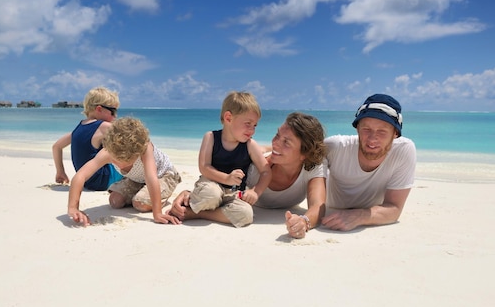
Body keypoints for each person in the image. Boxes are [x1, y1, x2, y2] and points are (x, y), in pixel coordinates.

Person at [171, 112, 327, 238]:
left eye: (286, 142)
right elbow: (219, 180)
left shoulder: (312, 167)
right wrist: (190, 194)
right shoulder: (254, 166)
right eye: (277, 135)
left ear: (305, 154)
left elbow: (317, 206)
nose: (276, 143)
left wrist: (304, 222)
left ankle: (200, 214)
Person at [171, 91, 272, 228]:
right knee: (210, 194)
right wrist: (226, 178)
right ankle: (188, 195)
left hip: (235, 194)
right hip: (211, 185)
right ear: (228, 118)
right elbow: (204, 167)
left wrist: (255, 191)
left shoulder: (250, 145)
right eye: (248, 123)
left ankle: (198, 213)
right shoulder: (211, 137)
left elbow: (266, 172)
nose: (252, 130)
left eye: (255, 125)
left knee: (245, 214)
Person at [321, 93, 416, 232]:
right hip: (330, 208)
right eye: (366, 129)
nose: (372, 138)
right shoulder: (335, 146)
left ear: (395, 133)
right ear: (357, 128)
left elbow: (394, 208)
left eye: (382, 131)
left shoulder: (403, 150)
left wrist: (359, 216)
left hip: (366, 213)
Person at [67, 117, 182, 226]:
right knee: (115, 201)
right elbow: (80, 176)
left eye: (125, 161)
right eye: (115, 160)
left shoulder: (145, 149)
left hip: (163, 175)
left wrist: (157, 213)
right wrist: (73, 207)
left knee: (140, 204)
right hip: (137, 179)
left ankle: (160, 197)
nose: (119, 165)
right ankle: (141, 191)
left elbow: (151, 178)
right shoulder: (108, 152)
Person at [52, 87, 123, 191]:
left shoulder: (79, 128)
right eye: (113, 112)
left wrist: (60, 171)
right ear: (99, 109)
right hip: (103, 180)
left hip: (85, 180)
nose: (115, 116)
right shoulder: (105, 127)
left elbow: (56, 147)